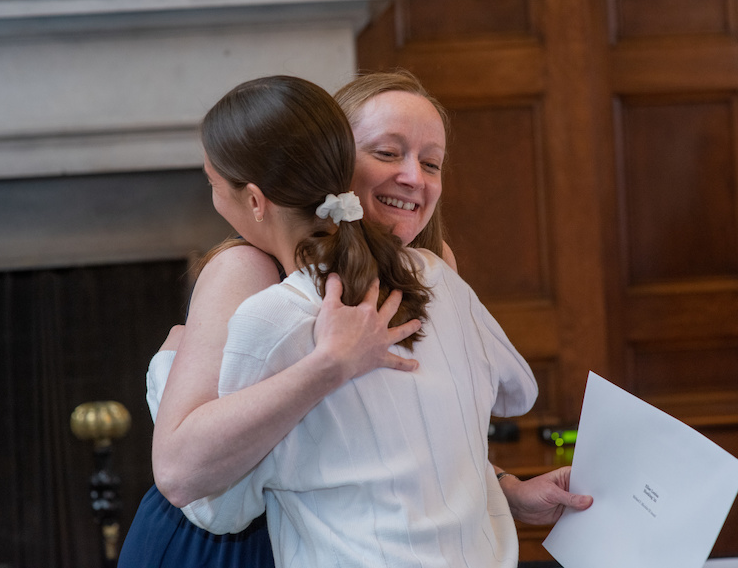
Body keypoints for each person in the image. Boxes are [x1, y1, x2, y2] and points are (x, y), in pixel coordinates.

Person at [117, 70, 591, 568]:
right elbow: (196, 475)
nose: (413, 176)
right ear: (332, 160)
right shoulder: (251, 272)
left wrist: (503, 488)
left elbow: (398, 440)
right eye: (387, 153)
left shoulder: (432, 269)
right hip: (229, 550)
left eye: (431, 162)